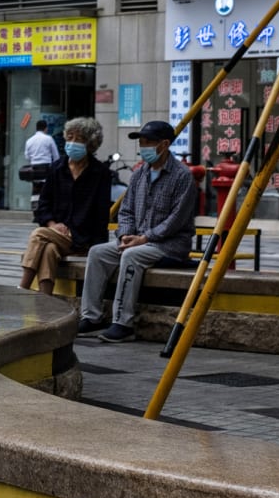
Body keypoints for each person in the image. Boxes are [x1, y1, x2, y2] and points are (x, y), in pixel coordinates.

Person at [76, 120, 196, 343]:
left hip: (169, 245)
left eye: (148, 142)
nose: (143, 147)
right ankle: (91, 316)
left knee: (132, 256)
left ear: (164, 144)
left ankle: (123, 323)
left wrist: (144, 238)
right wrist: (124, 235)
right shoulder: (139, 174)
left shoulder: (182, 176)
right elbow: (126, 210)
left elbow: (176, 221)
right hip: (138, 240)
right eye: (141, 142)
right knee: (97, 252)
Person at [19, 116, 111, 295]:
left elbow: (101, 215)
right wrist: (53, 225)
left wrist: (93, 245)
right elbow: (44, 204)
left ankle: (23, 287)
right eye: (70, 137)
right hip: (56, 236)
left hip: (83, 238)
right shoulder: (57, 168)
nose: (73, 143)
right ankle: (44, 299)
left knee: (38, 234)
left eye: (79, 139)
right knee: (49, 250)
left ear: (90, 144)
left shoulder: (100, 173)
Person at [23, 119, 62, 204]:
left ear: (36, 128)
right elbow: (56, 156)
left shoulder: (29, 140)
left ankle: (34, 205)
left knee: (35, 188)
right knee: (48, 189)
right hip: (46, 169)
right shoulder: (49, 139)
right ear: (45, 129)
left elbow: (27, 156)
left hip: (34, 169)